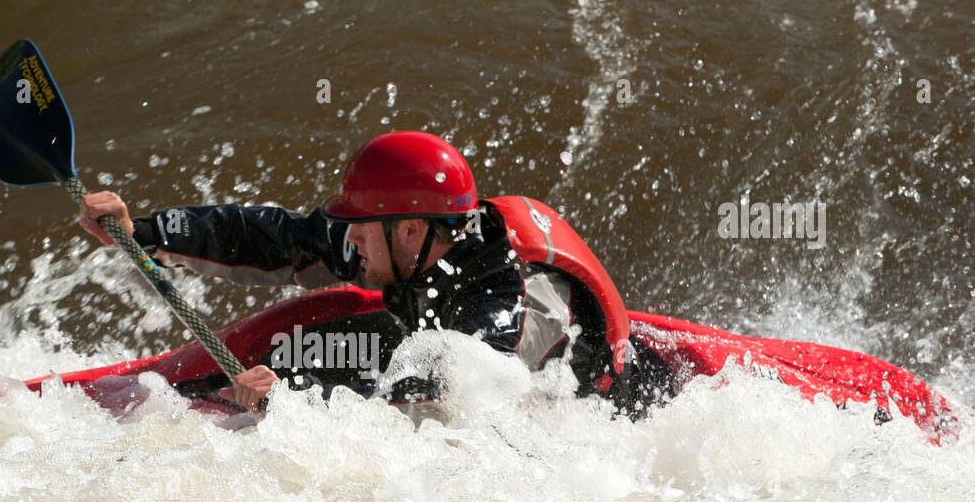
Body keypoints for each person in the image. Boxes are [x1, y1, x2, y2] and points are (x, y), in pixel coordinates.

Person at [77, 131, 667, 413]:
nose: (350, 238)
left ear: (410, 230)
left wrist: (288, 401)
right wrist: (143, 231)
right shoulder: (402, 237)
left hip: (607, 409)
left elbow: (434, 415)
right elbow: (269, 236)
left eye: (363, 227)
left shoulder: (498, 305)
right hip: (434, 362)